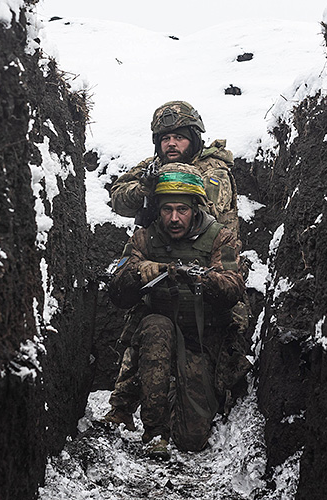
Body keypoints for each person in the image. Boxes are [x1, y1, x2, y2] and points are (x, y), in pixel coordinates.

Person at [102, 163, 245, 458]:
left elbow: (233, 289)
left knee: (191, 439)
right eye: (167, 210)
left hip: (202, 339)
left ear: (196, 208)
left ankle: (175, 394)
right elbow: (116, 292)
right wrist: (139, 272)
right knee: (155, 325)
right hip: (157, 332)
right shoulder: (145, 238)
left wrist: (203, 279)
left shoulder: (220, 237)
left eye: (182, 209)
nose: (175, 218)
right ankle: (154, 431)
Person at [109, 101, 240, 234]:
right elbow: (118, 202)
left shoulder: (214, 171)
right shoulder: (152, 165)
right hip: (157, 245)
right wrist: (141, 190)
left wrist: (158, 195)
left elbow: (203, 218)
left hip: (208, 246)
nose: (171, 143)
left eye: (179, 137)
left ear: (194, 139)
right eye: (165, 138)